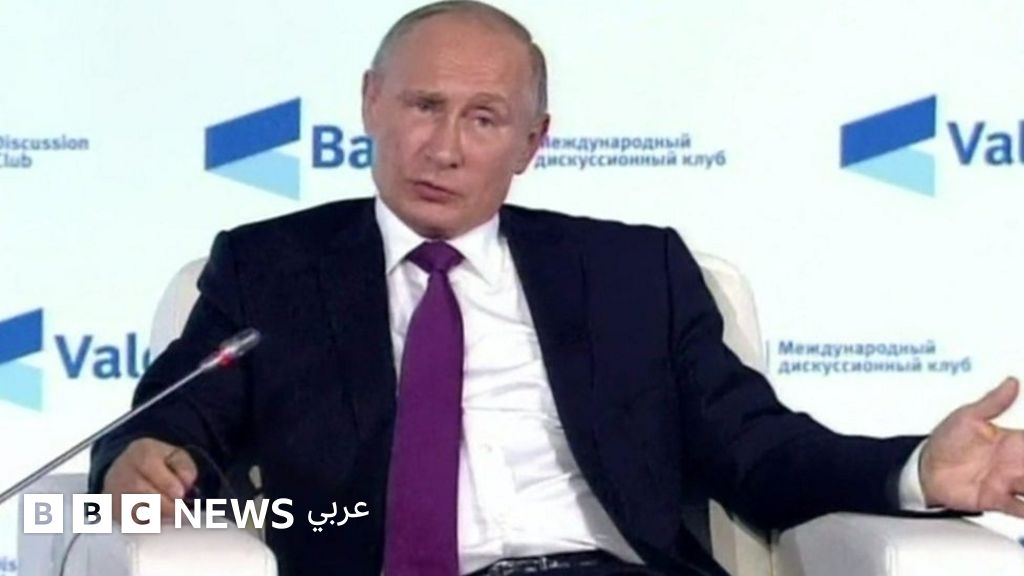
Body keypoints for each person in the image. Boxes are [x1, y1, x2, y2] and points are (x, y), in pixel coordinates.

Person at [91, 2, 1024, 575]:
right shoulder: (271, 267)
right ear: (371, 101)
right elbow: (168, 425)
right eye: (423, 106)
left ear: (532, 143)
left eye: (484, 118)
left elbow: (760, 452)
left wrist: (918, 472)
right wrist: (141, 462)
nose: (444, 147)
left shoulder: (635, 274)